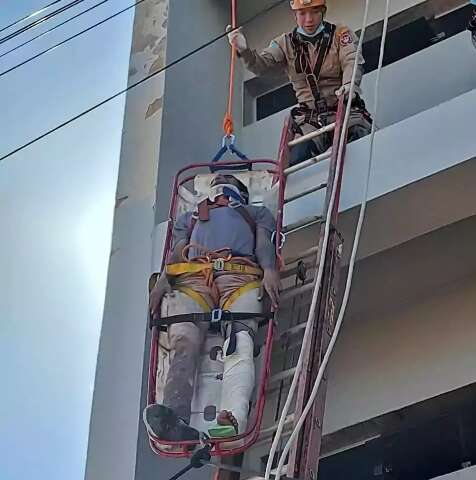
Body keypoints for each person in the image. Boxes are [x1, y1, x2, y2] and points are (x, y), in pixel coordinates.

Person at [143, 174, 281, 441]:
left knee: (240, 342)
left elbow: (264, 244)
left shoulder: (257, 213)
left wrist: (269, 270)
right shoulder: (191, 218)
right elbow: (178, 251)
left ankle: (232, 417)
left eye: (227, 179)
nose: (223, 180)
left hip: (239, 275)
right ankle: (175, 417)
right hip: (194, 278)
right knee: (184, 340)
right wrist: (163, 280)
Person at [228, 0, 372, 166]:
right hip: (310, 120)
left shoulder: (340, 34)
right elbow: (262, 66)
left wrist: (349, 86)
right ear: (295, 15)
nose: (308, 19)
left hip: (345, 111)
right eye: (302, 13)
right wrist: (244, 50)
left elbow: (351, 61)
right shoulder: (284, 44)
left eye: (314, 12)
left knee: (358, 142)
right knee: (298, 159)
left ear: (323, 12)